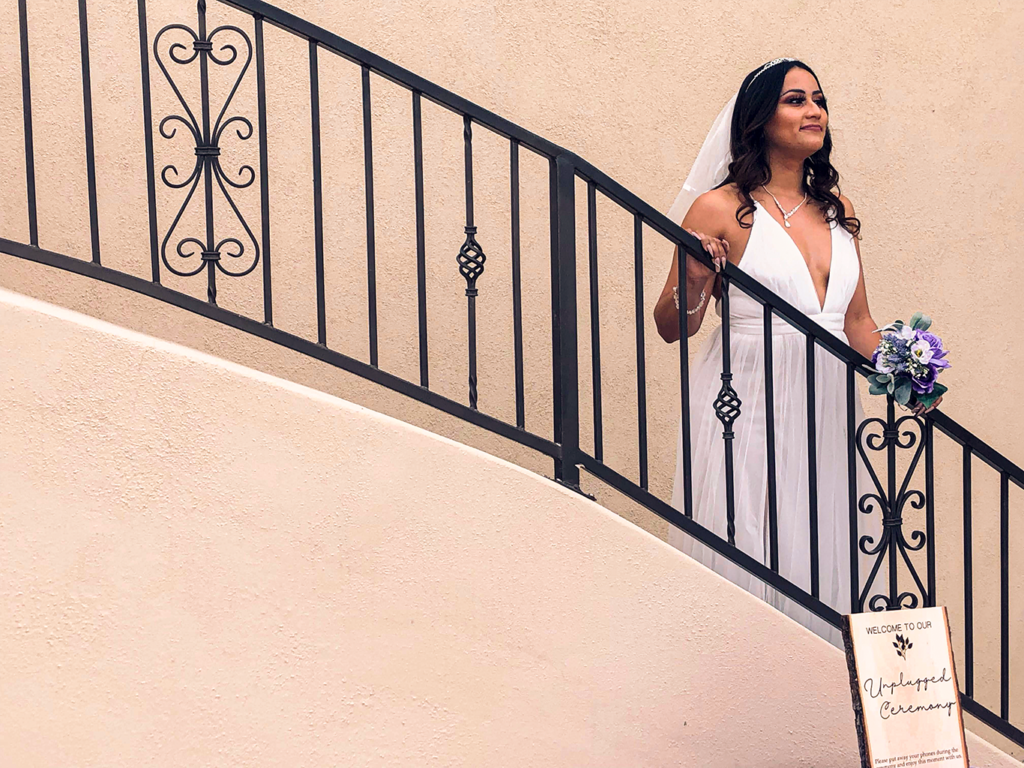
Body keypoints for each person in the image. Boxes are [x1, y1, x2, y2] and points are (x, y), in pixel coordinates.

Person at [653, 58, 939, 644]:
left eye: (819, 99)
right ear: (760, 119)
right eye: (795, 100)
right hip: (745, 399)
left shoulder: (839, 210)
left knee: (816, 537)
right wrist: (695, 275)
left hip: (824, 405)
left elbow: (857, 323)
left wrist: (913, 370)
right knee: (748, 538)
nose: (814, 111)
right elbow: (669, 327)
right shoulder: (718, 207)